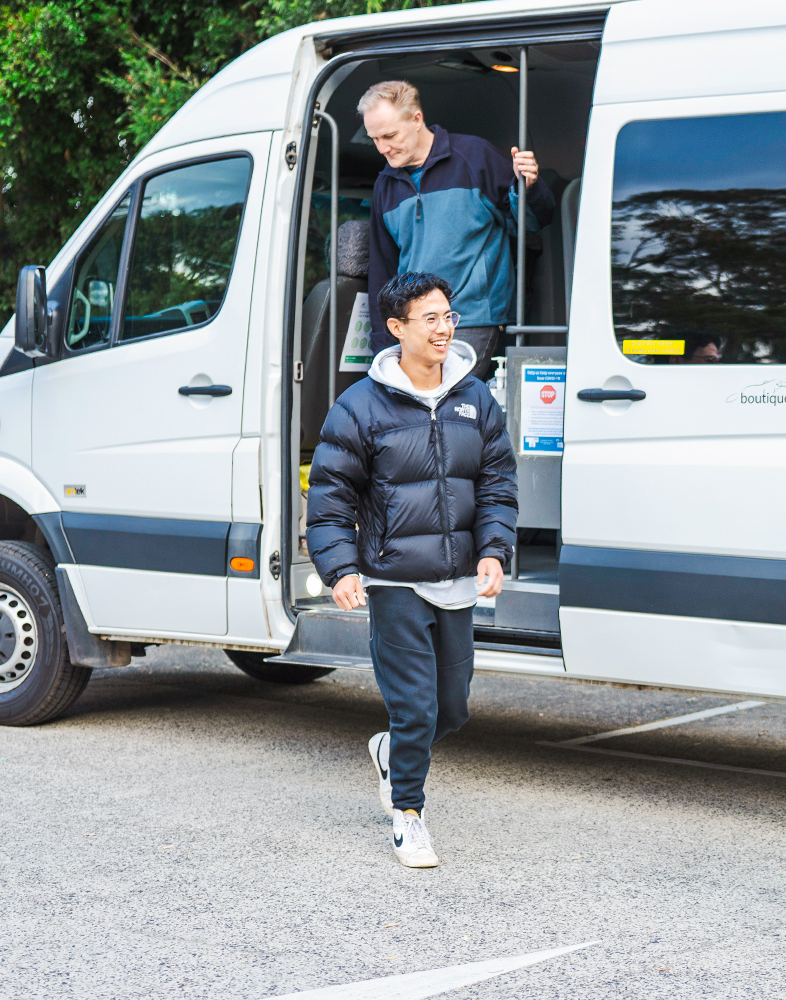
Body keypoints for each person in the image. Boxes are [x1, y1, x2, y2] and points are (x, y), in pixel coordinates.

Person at [306, 271, 517, 868]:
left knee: (452, 708)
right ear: (396, 328)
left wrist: (494, 550)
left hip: (455, 579)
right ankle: (408, 815)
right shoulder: (361, 406)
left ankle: (392, 750)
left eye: (448, 315)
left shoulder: (476, 398)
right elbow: (329, 496)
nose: (445, 328)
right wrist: (340, 567)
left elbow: (498, 483)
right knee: (416, 706)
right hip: (395, 577)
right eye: (430, 318)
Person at [359, 80, 556, 380]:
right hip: (412, 325)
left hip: (471, 318)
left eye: (390, 135)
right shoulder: (384, 185)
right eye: (374, 139)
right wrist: (383, 347)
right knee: (418, 413)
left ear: (416, 119)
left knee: (443, 404)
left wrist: (528, 187)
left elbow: (529, 226)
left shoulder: (475, 157)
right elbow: (381, 274)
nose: (382, 148)